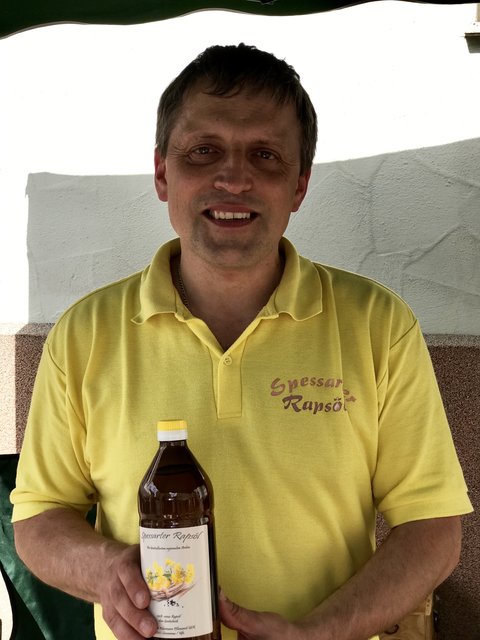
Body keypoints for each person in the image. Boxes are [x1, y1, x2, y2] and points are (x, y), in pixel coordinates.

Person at [11, 43, 472, 640]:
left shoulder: (378, 326)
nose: (233, 178)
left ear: (299, 186)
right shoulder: (84, 334)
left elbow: (433, 529)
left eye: (265, 155)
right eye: (203, 151)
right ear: (162, 173)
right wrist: (104, 570)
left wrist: (319, 632)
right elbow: (39, 516)